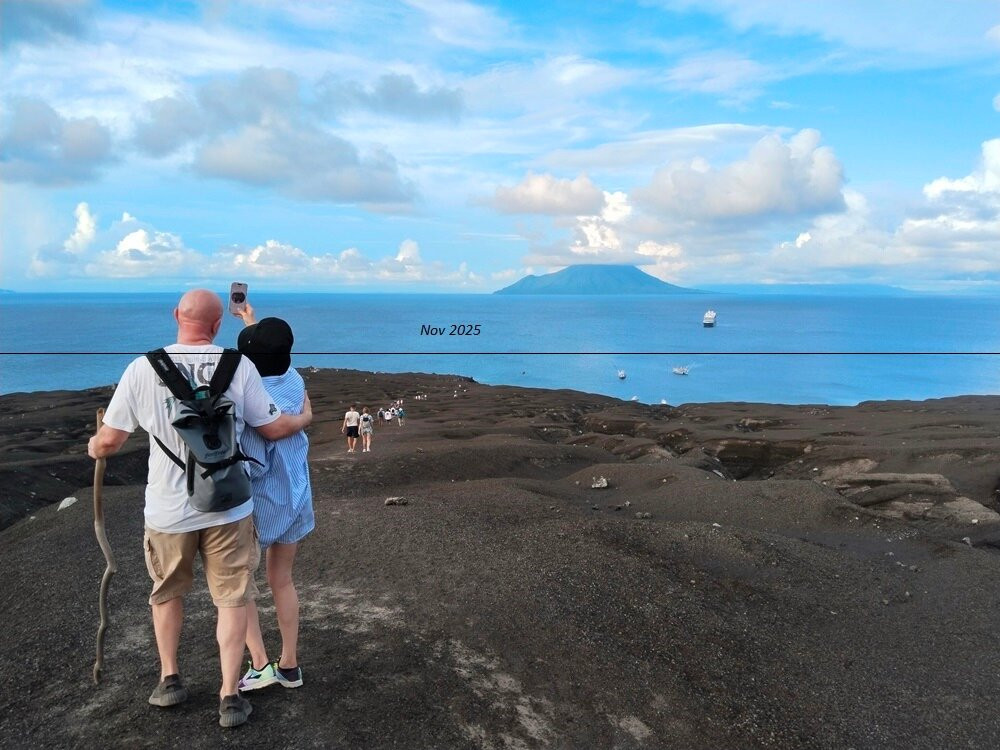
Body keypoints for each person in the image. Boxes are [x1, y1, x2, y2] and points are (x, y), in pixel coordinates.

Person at [87, 289, 312, 728]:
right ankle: (230, 695)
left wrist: (95, 445)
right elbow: (271, 426)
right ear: (217, 325)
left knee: (167, 591)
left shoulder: (142, 369)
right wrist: (305, 417)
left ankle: (170, 678)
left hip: (169, 511)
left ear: (176, 315)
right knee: (232, 598)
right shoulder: (239, 366)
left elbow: (110, 442)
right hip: (229, 508)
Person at [231, 305, 313, 693]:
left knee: (238, 583)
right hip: (295, 492)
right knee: (282, 579)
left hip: (261, 499)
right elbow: (270, 354)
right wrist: (249, 319)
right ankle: (290, 665)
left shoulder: (249, 392)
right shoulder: (293, 378)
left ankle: (261, 663)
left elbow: (272, 429)